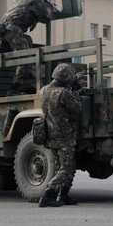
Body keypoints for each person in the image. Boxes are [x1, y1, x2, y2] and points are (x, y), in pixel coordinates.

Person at [0, 0, 57, 95]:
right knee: (25, 60)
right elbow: (46, 18)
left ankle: (27, 79)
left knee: (28, 41)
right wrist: (50, 10)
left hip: (3, 30)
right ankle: (13, 89)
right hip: (13, 30)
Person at [38, 63, 83, 207]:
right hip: (64, 135)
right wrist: (75, 90)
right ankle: (47, 196)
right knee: (67, 167)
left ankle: (63, 194)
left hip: (50, 134)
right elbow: (77, 108)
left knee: (61, 166)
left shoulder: (44, 90)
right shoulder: (62, 93)